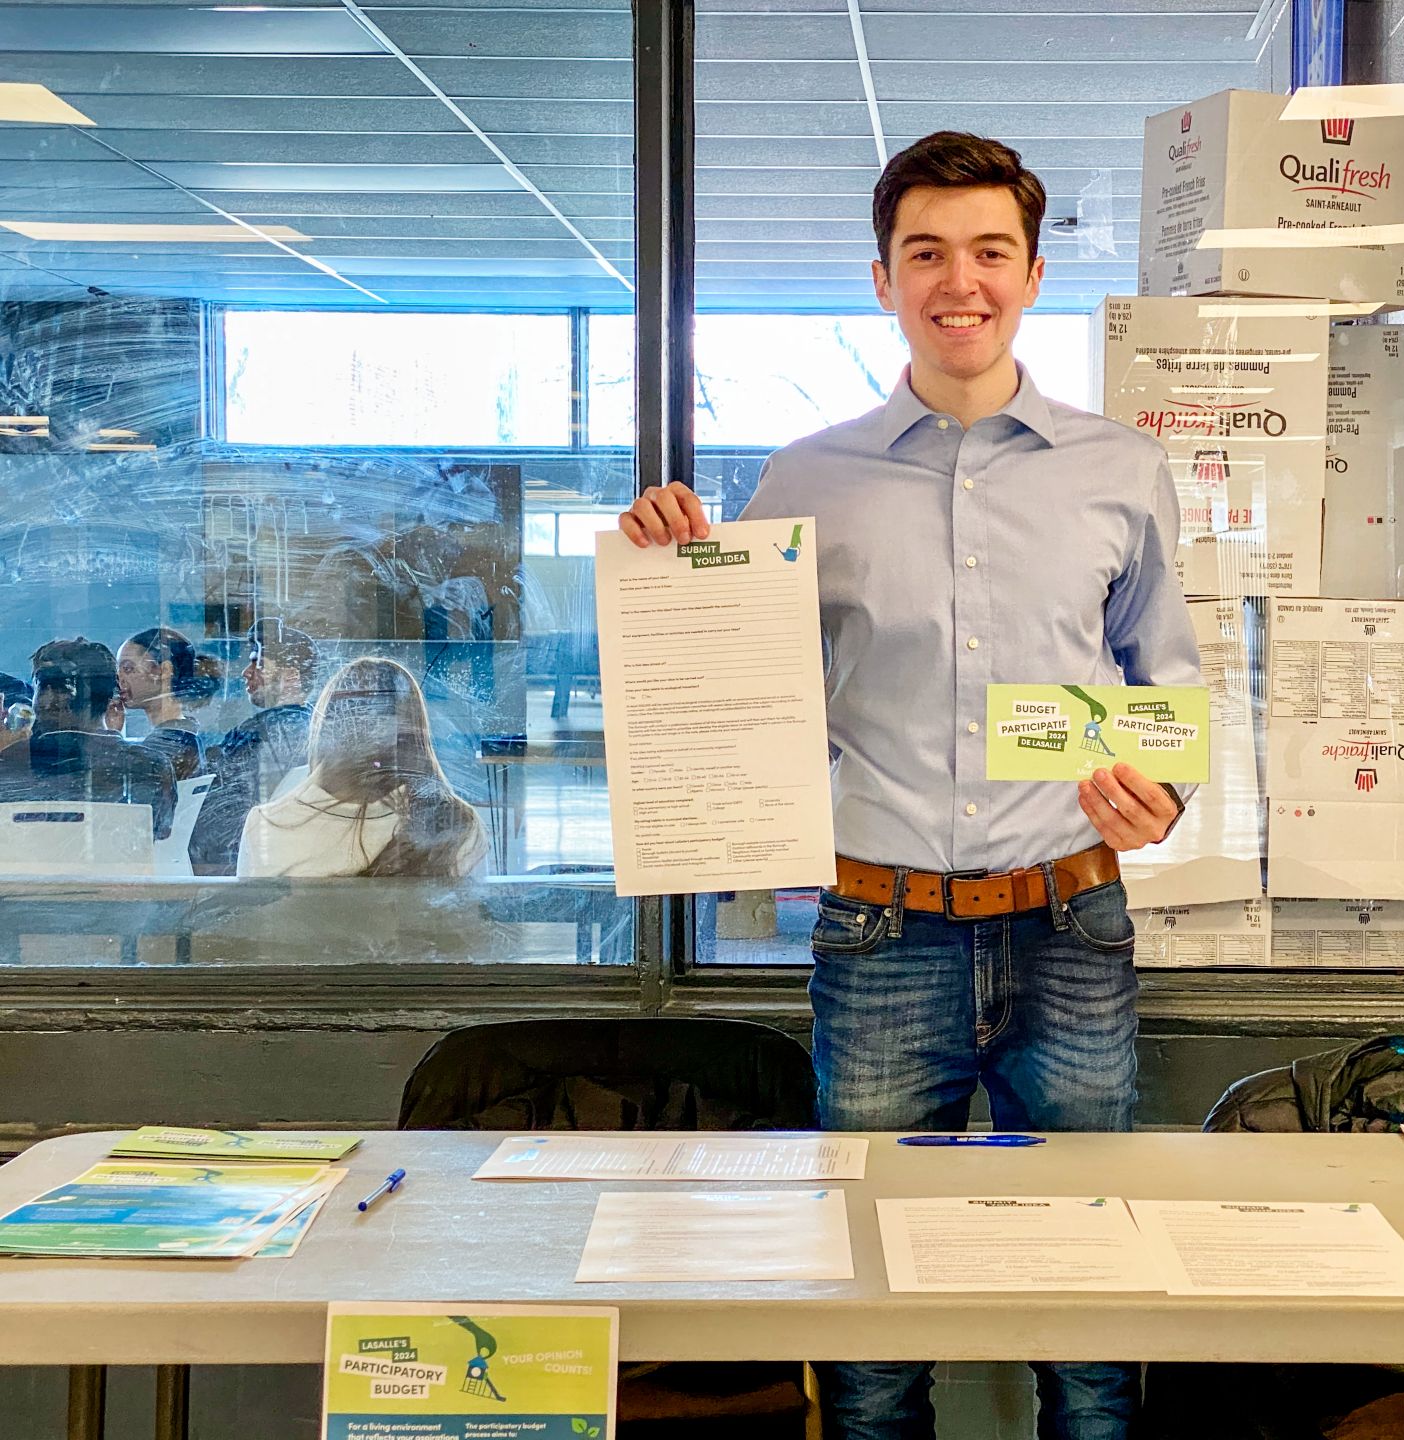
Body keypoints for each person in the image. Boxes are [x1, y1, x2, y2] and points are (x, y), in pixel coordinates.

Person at [621, 131, 1201, 1440]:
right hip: (882, 936)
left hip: (1075, 925)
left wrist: (1160, 795)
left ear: (1034, 272)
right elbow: (735, 697)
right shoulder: (804, 478)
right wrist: (673, 570)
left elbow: (1164, 687)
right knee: (870, 1317)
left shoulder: (1120, 468)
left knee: (1092, 1305)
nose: (961, 280)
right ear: (882, 278)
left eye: (989, 251)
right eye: (926, 252)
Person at [237, 656, 487, 879]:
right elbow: (472, 923)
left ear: (327, 730)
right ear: (410, 734)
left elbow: (252, 924)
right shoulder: (459, 826)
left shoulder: (265, 826)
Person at [0, 637, 176, 839]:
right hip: (119, 869)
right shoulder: (153, 767)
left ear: (47, 701)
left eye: (40, 687)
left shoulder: (11, 763)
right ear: (111, 697)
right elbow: (161, 835)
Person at [190, 619, 321, 875]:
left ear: (291, 677)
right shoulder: (317, 727)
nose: (246, 672)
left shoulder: (258, 734)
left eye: (259, 664)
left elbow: (215, 817)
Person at [116, 627, 207, 780]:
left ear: (164, 671)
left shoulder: (168, 745)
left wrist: (113, 736)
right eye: (118, 671)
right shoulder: (185, 737)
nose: (119, 679)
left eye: (128, 669)